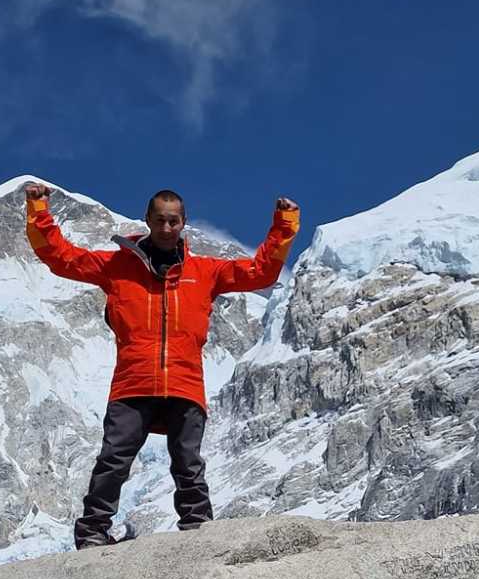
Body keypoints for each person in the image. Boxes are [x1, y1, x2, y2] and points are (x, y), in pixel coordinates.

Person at [23, 181, 299, 547]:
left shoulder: (206, 272)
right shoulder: (117, 267)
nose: (167, 228)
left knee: (189, 464)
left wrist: (285, 222)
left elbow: (260, 272)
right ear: (147, 221)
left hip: (185, 384)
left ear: (184, 222)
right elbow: (61, 258)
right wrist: (39, 210)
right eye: (160, 221)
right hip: (132, 384)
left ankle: (198, 531)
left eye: (173, 221)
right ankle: (92, 532)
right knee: (113, 462)